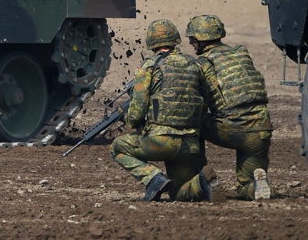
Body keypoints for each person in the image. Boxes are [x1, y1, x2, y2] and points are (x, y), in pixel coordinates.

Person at [111, 19, 213, 202]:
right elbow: (204, 102)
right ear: (175, 40)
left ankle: (154, 178)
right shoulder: (195, 65)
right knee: (179, 193)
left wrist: (133, 122)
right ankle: (203, 182)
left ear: (151, 42)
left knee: (118, 147)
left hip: (160, 141)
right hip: (190, 145)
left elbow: (136, 113)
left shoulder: (149, 67)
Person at [186, 14, 273, 201]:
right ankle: (256, 186)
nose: (192, 43)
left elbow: (198, 104)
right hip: (261, 128)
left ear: (201, 40)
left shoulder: (202, 64)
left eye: (193, 39)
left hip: (232, 127)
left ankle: (201, 177)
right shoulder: (241, 52)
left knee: (192, 123)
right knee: (245, 187)